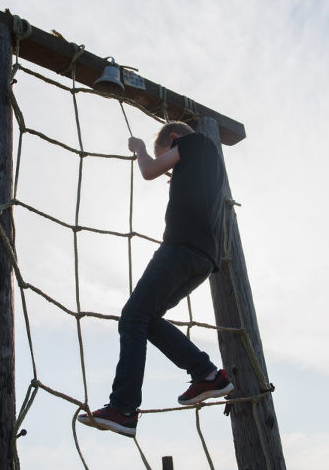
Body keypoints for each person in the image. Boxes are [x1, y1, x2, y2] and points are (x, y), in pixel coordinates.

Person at [78, 121, 234, 438]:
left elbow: (149, 170)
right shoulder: (211, 162)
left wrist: (140, 150)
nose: (168, 169)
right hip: (204, 260)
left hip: (179, 249)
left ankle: (122, 408)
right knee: (147, 319)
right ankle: (207, 374)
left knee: (133, 316)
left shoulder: (193, 143)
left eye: (167, 155)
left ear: (173, 140)